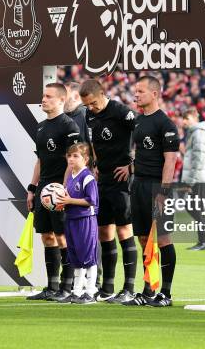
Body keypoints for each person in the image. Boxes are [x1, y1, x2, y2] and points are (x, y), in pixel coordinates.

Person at [80, 78, 137, 303]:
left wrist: (132, 165)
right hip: (102, 178)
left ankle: (129, 288)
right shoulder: (90, 114)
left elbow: (144, 137)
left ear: (102, 94)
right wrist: (93, 163)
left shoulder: (122, 112)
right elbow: (93, 142)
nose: (90, 108)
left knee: (124, 231)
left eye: (93, 103)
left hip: (121, 180)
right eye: (87, 105)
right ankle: (107, 287)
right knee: (104, 232)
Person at [124, 76, 179, 307]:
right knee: (144, 238)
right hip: (139, 185)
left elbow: (170, 161)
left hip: (158, 186)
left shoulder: (166, 125)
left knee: (163, 239)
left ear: (155, 94)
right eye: (135, 91)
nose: (136, 95)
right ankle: (148, 290)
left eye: (141, 91)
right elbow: (140, 153)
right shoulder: (137, 121)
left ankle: (165, 294)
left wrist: (164, 191)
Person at [26, 83, 80, 302]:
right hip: (43, 188)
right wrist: (32, 188)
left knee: (62, 236)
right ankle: (51, 287)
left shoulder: (69, 125)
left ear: (61, 100)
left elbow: (73, 160)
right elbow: (40, 159)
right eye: (43, 95)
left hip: (60, 188)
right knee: (46, 236)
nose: (44, 99)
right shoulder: (40, 127)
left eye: (48, 96)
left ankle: (67, 288)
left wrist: (64, 189)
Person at [58, 142, 99, 304]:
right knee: (75, 256)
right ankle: (76, 291)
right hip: (71, 219)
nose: (71, 159)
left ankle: (90, 292)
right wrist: (62, 203)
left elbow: (92, 200)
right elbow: (68, 197)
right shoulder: (69, 177)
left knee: (88, 256)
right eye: (69, 156)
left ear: (86, 159)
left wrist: (69, 200)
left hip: (85, 220)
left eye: (76, 156)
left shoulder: (87, 177)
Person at [181, 108, 205, 251]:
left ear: (193, 117)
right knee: (195, 207)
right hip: (201, 176)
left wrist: (190, 181)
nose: (183, 121)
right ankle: (204, 239)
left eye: (186, 118)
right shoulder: (196, 133)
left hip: (201, 177)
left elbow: (198, 160)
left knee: (193, 207)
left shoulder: (198, 133)